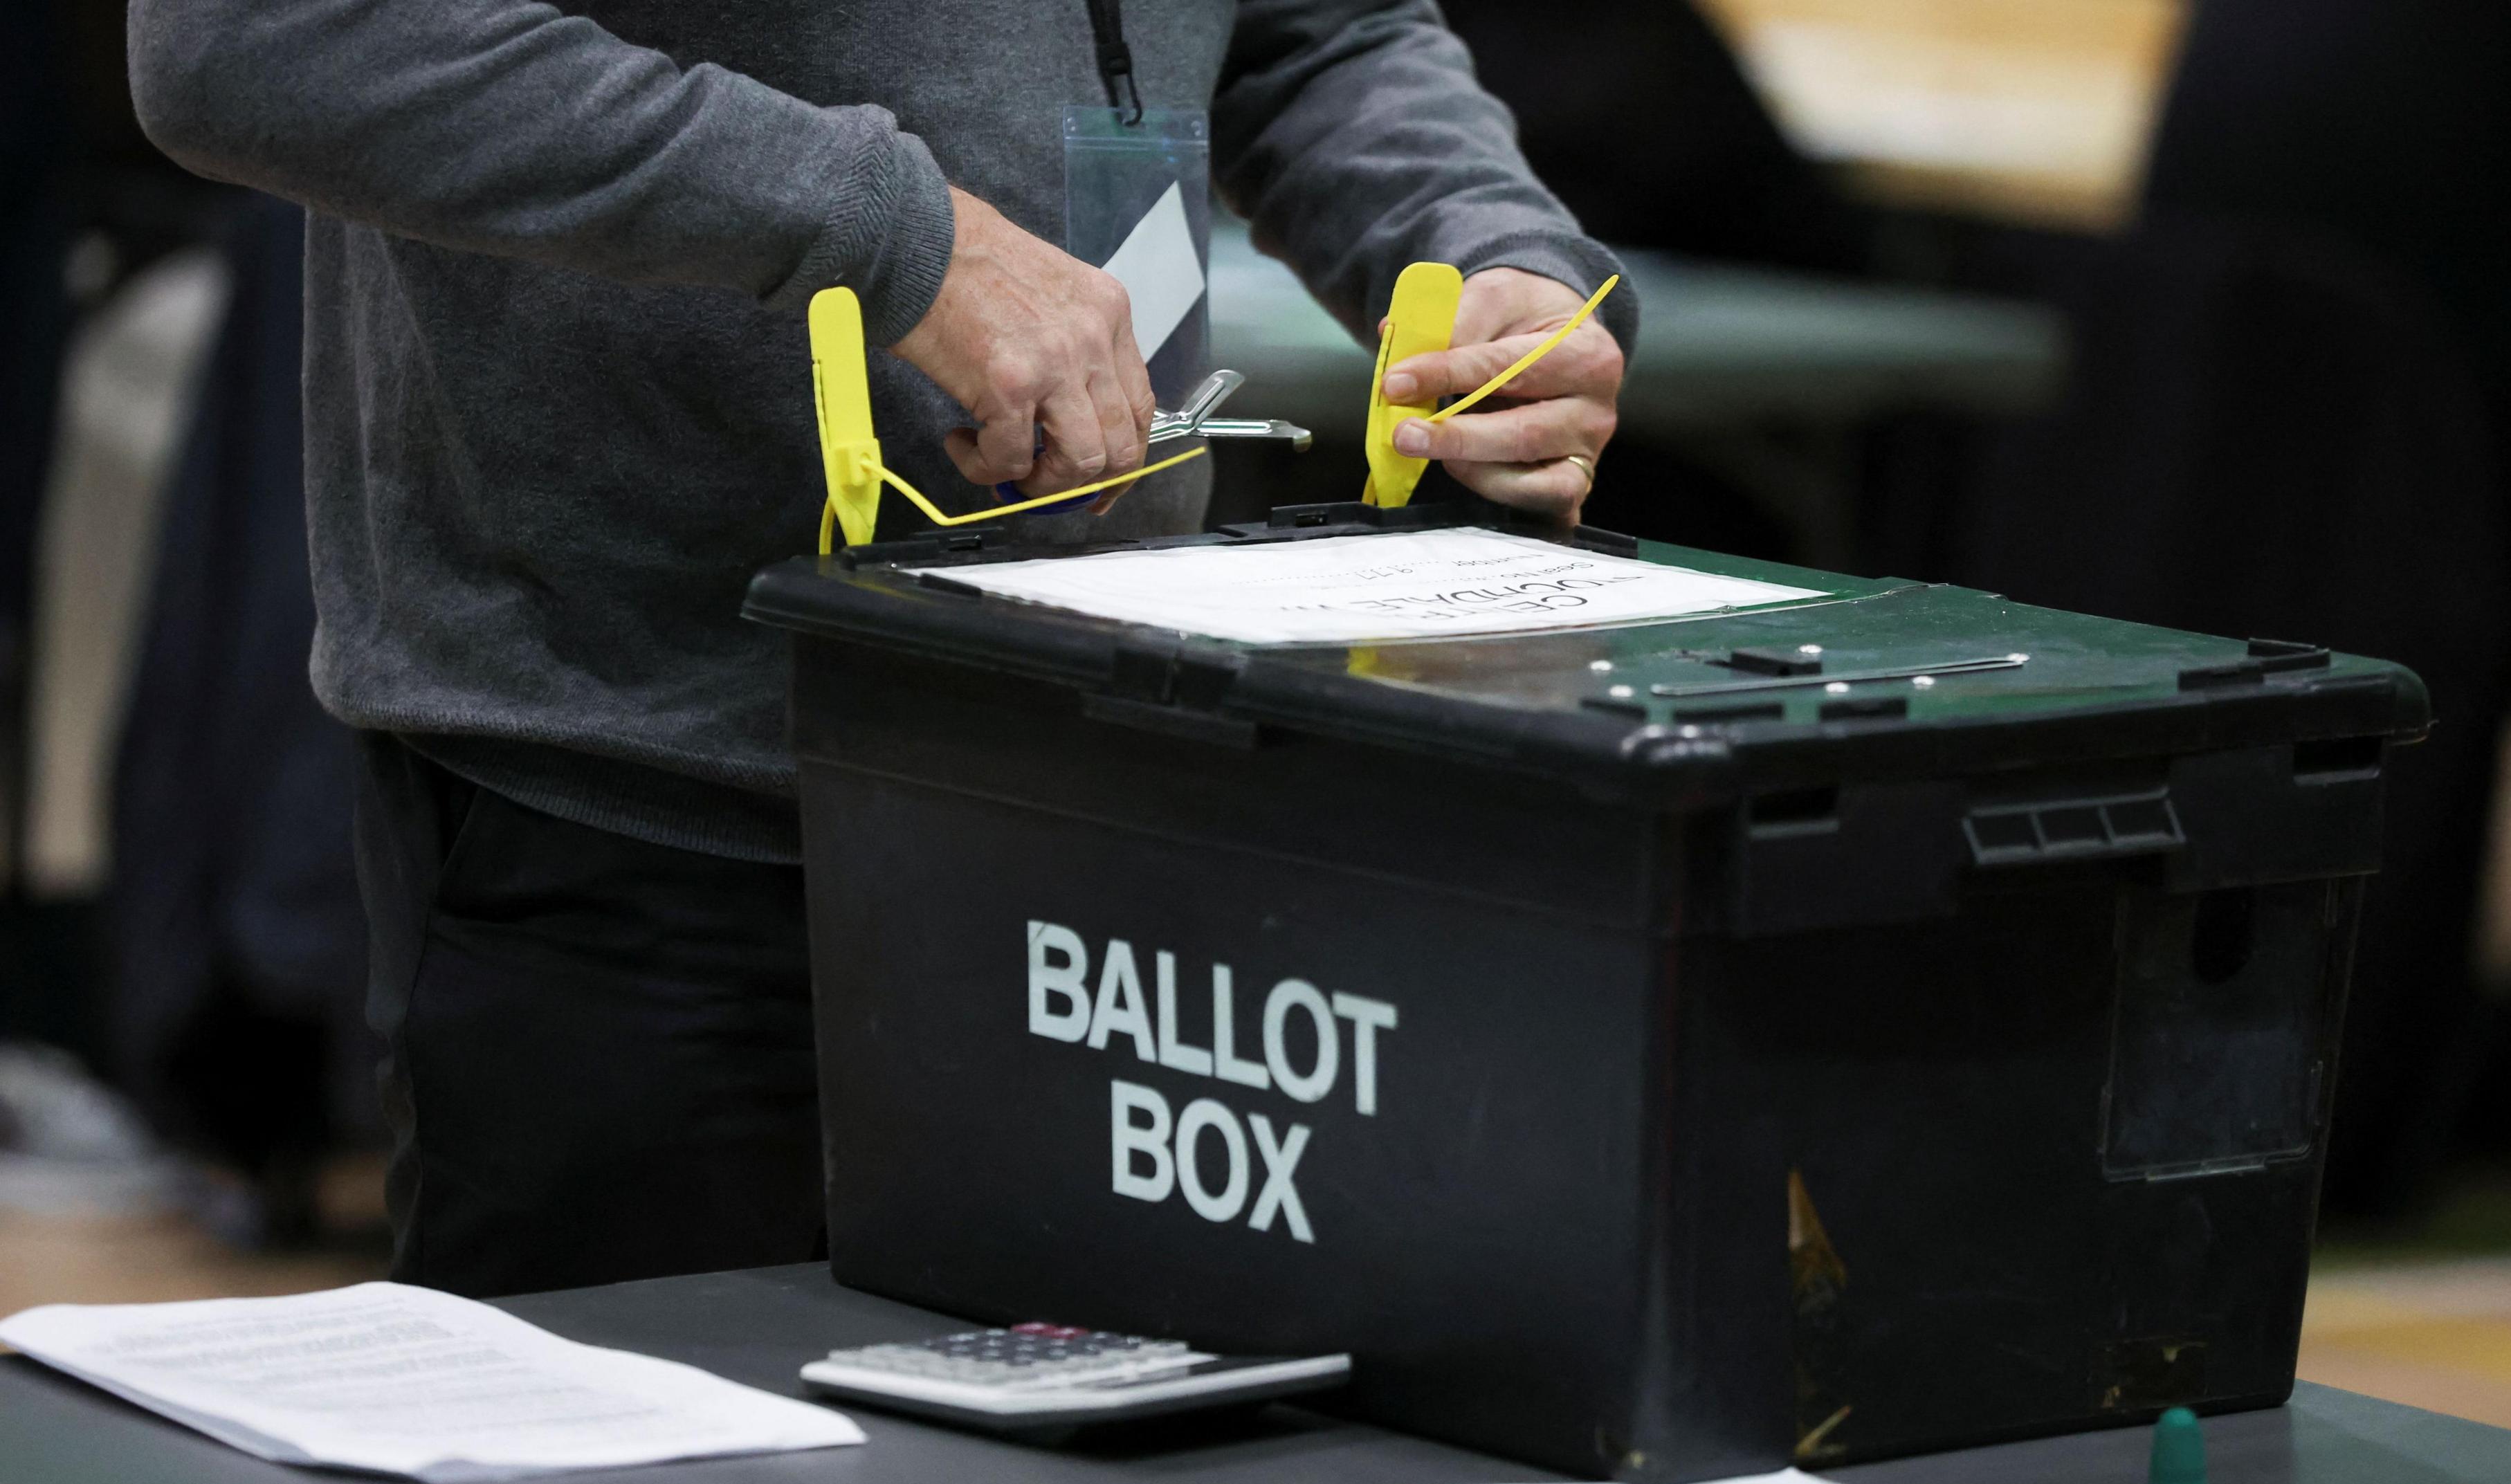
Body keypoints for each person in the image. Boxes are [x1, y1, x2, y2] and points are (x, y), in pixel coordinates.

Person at [125, 0, 1633, 1296]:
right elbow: (258, 41)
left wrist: (1475, 240)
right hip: (639, 793)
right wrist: (894, 234)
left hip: (1111, 794)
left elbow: (1325, 31)